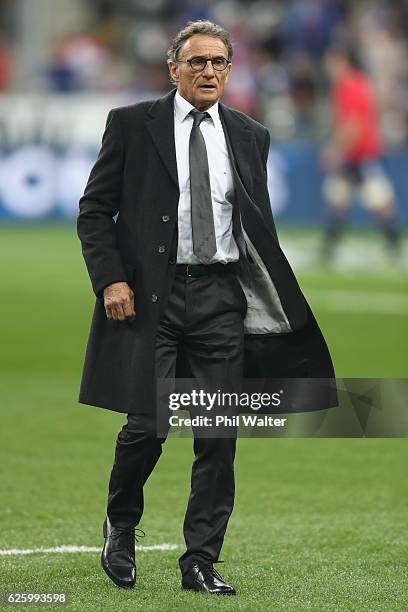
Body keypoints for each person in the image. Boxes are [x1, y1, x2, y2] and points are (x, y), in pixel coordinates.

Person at [77, 20, 336, 597]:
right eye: (196, 62)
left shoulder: (250, 135)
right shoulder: (130, 125)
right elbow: (94, 212)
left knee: (218, 433)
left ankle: (200, 560)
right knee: (148, 423)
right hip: (152, 299)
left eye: (218, 62)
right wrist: (111, 279)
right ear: (172, 69)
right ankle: (121, 524)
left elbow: (254, 224)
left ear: (230, 68)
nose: (209, 72)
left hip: (221, 299)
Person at [321, 45, 400, 260]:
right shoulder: (352, 84)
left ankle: (393, 243)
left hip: (359, 154)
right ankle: (329, 247)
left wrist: (335, 149)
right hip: (355, 154)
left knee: (378, 198)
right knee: (338, 197)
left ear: (342, 61)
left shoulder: (351, 85)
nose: (328, 66)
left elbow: (354, 124)